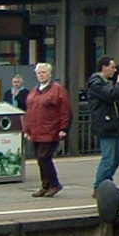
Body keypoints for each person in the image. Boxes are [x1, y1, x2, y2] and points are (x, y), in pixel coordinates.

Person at [23, 63, 72, 198]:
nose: (41, 75)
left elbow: (65, 110)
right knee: (40, 159)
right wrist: (27, 129)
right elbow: (29, 111)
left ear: (50, 74)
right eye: (39, 73)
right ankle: (45, 185)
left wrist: (64, 128)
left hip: (51, 130)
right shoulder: (34, 90)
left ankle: (54, 184)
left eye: (44, 72)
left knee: (44, 157)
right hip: (35, 131)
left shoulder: (58, 90)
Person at [88, 55, 119, 193]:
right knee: (108, 157)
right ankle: (99, 186)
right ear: (104, 67)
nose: (114, 70)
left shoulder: (105, 82)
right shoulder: (96, 83)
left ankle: (107, 182)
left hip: (113, 124)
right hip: (105, 124)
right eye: (112, 67)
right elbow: (111, 95)